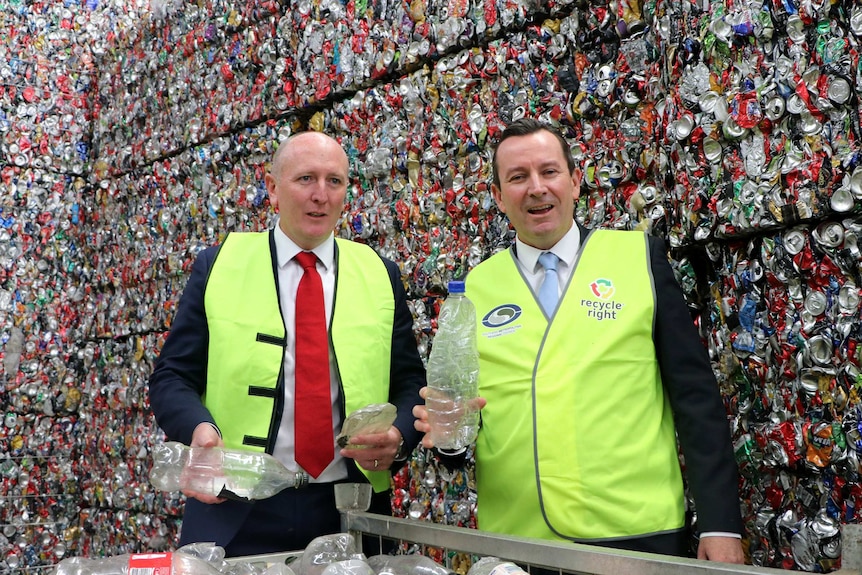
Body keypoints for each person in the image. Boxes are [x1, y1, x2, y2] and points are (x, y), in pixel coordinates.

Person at [414, 118, 745, 563]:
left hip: (635, 534)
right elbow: (459, 427)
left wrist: (720, 523)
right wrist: (449, 438)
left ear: (574, 181)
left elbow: (695, 398)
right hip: (520, 543)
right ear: (496, 196)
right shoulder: (474, 288)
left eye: (549, 172)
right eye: (517, 177)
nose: (536, 188)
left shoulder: (638, 258)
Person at [149, 130, 426, 557]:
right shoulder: (218, 264)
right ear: (272, 187)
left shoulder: (380, 273)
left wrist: (400, 435)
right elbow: (172, 376)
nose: (321, 195)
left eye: (334, 181)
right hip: (235, 507)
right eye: (305, 179)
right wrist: (199, 430)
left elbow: (409, 382)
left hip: (347, 508)